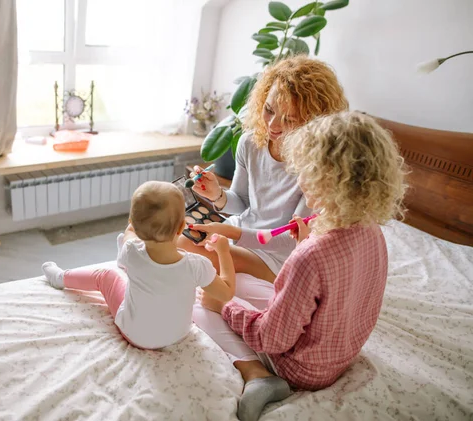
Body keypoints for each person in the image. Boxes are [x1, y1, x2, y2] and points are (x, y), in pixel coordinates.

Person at [193, 111, 408, 421]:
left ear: (324, 177)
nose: (298, 176)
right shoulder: (372, 231)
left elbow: (271, 339)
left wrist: (225, 305)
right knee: (233, 280)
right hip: (340, 353)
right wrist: (302, 243)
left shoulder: (312, 256)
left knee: (202, 300)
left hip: (302, 369)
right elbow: (336, 291)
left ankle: (258, 376)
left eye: (303, 169)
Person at [179, 56, 349, 283]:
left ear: (313, 122)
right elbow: (242, 202)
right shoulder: (250, 143)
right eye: (269, 110)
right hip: (242, 232)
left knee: (182, 248)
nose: (273, 125)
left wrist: (230, 234)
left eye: (289, 119)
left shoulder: (316, 167)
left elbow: (290, 239)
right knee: (170, 231)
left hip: (276, 255)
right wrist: (216, 195)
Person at [42, 181, 236, 350]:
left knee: (106, 275)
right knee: (129, 257)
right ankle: (128, 266)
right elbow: (226, 293)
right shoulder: (197, 265)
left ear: (131, 222)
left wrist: (133, 230)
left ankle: (62, 278)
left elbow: (129, 235)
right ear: (181, 227)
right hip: (179, 334)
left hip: (136, 336)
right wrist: (223, 251)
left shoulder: (131, 250)